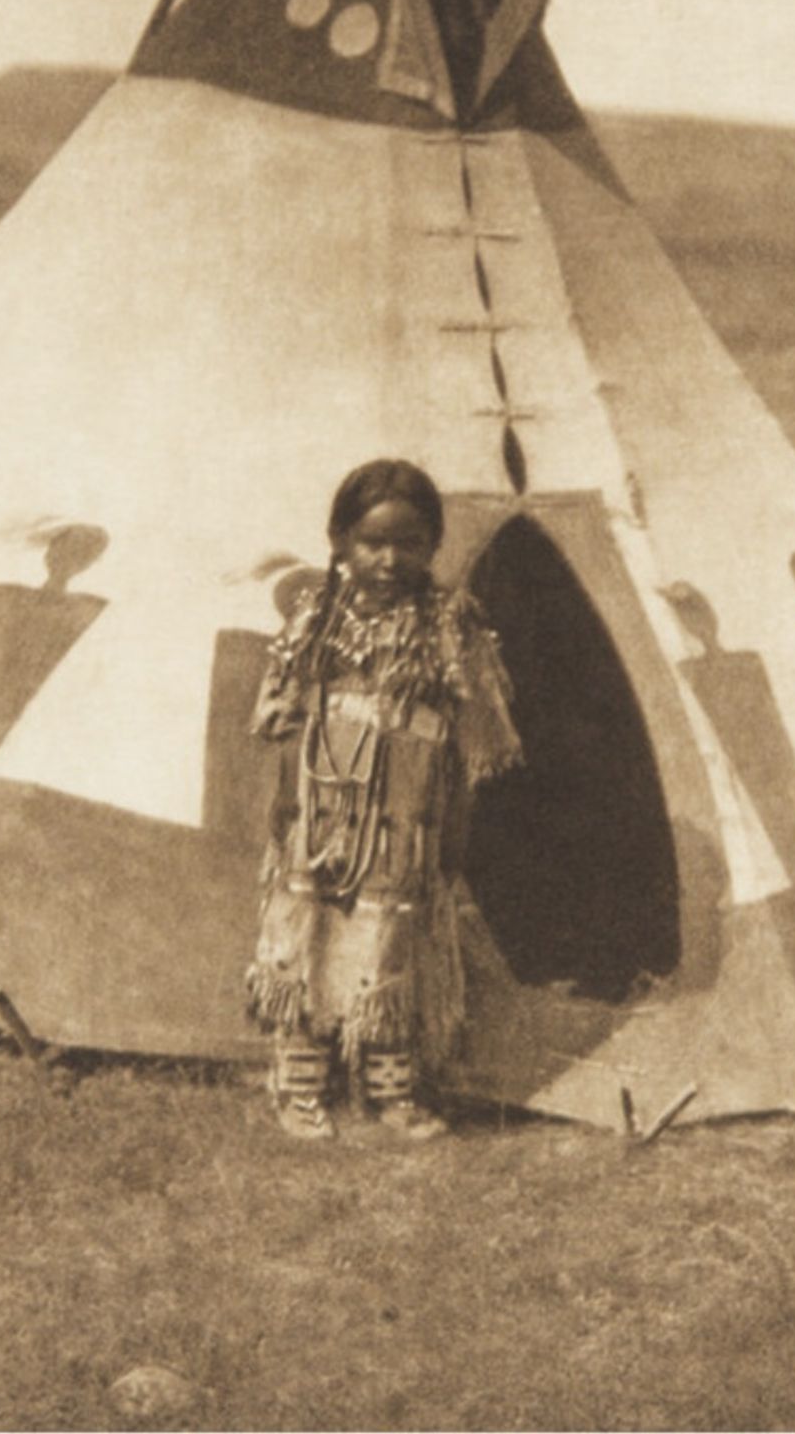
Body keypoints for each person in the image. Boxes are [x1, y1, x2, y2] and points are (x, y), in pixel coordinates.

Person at [246, 459, 521, 1141]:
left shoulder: (448, 622)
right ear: (338, 540)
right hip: (321, 806)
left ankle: (391, 1088)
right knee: (306, 932)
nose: (389, 559)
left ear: (433, 546)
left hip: (407, 812)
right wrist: (286, 804)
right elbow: (279, 716)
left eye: (409, 543)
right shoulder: (315, 617)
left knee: (393, 937)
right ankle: (301, 1082)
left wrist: (453, 821)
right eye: (372, 542)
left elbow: (474, 734)